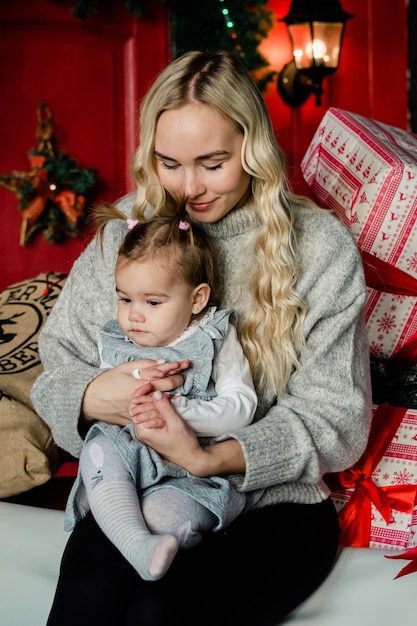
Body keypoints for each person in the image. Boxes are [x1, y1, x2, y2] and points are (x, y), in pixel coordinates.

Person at [31, 49, 372, 626]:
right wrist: (97, 397)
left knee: (159, 610)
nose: (188, 187)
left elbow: (336, 420)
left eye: (212, 162)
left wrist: (208, 456)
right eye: (169, 163)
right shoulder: (127, 232)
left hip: (273, 503)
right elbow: (56, 371)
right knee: (88, 595)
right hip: (139, 487)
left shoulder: (319, 245)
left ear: (253, 146)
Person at [65, 201, 258, 582]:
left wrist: (182, 413)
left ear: (197, 299)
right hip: (128, 453)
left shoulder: (215, 337)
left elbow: (242, 406)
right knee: (98, 451)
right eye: (125, 299)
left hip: (188, 466)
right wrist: (132, 379)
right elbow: (109, 391)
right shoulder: (117, 338)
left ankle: (154, 544)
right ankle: (134, 538)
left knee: (163, 514)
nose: (134, 315)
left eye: (152, 302)